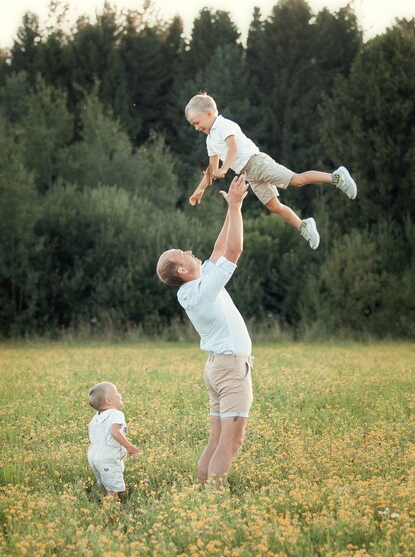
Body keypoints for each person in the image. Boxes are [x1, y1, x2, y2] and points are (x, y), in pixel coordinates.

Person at [156, 174, 253, 487]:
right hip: (229, 366)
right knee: (231, 442)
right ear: (182, 270)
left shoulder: (194, 288)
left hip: (217, 365)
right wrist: (237, 207)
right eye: (181, 254)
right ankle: (213, 499)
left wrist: (229, 209)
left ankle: (202, 494)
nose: (188, 251)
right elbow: (234, 251)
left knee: (216, 439)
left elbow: (219, 247)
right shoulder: (201, 290)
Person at [185, 92, 358, 250]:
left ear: (209, 114)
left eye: (197, 122)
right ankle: (303, 225)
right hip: (249, 174)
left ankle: (337, 177)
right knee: (273, 206)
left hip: (257, 163)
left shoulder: (223, 125)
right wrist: (199, 190)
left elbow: (233, 148)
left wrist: (224, 168)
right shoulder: (210, 141)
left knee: (296, 180)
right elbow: (211, 168)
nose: (196, 127)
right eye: (193, 125)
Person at [87, 381, 141, 498]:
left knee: (104, 485)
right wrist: (129, 447)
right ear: (108, 401)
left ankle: (100, 500)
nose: (120, 395)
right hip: (108, 458)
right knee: (114, 491)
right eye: (117, 393)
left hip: (93, 457)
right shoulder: (116, 414)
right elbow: (114, 432)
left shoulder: (96, 418)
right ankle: (109, 511)